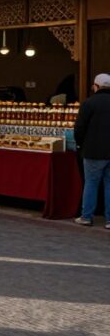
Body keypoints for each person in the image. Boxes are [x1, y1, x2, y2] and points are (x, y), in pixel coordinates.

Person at [74, 73, 110, 227]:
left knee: (91, 183)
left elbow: (79, 128)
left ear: (96, 86)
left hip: (93, 151)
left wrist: (80, 144)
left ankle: (87, 216)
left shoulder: (89, 103)